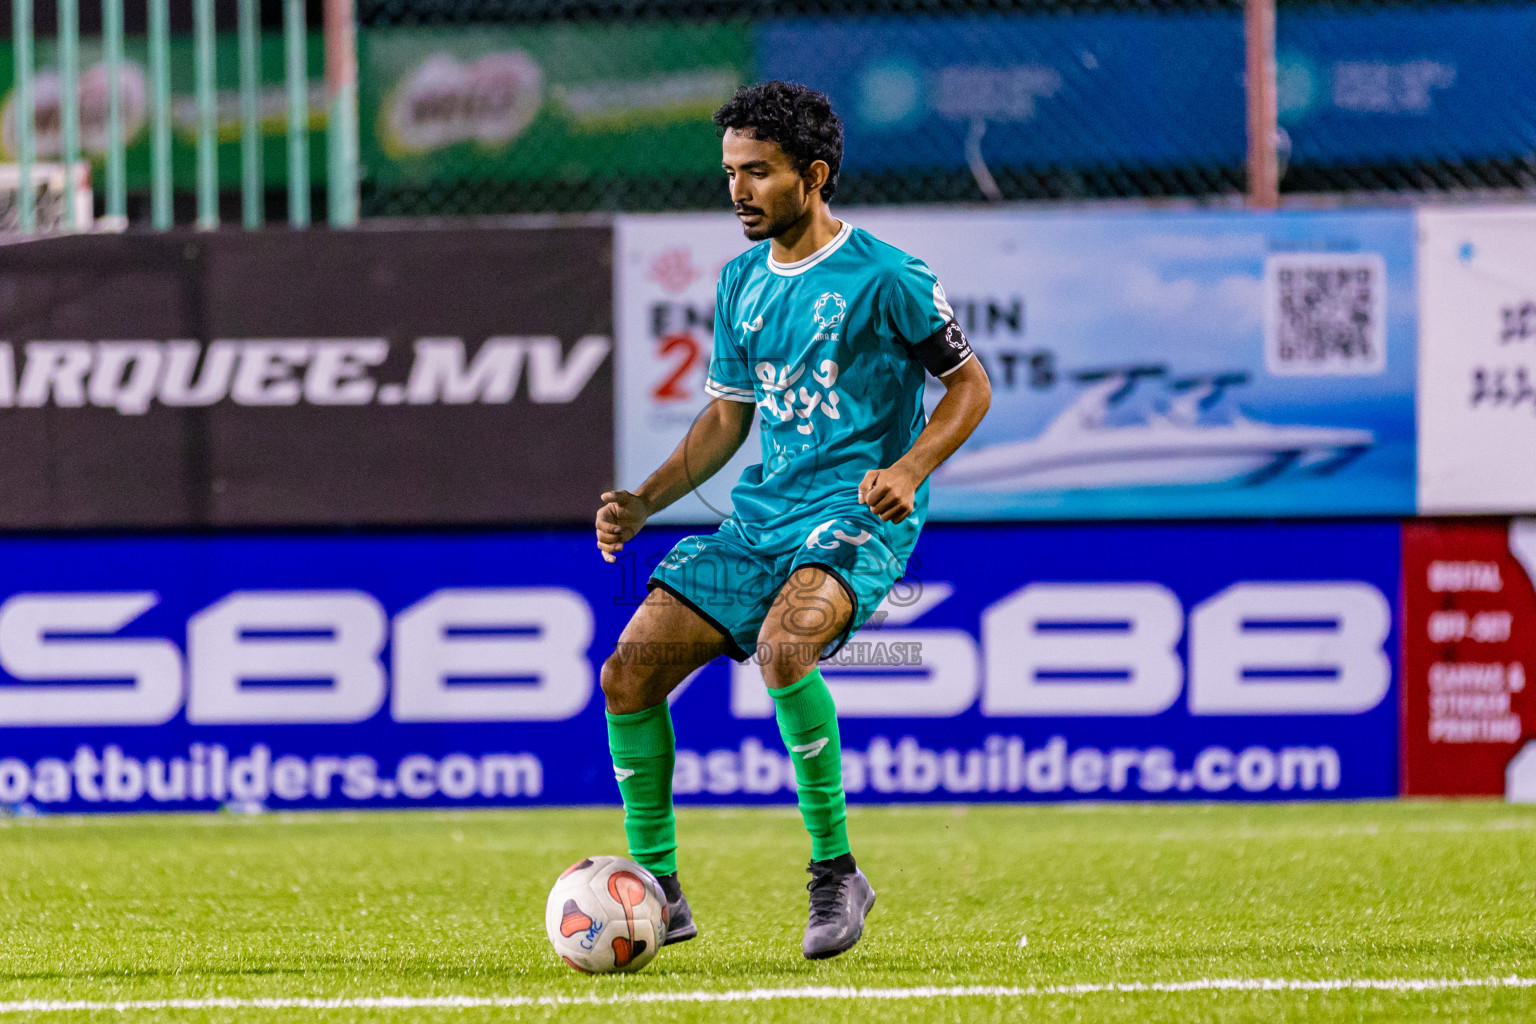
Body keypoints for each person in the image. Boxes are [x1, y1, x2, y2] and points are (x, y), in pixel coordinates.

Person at [594, 80, 992, 960]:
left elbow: (970, 386)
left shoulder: (888, 276)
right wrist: (643, 500)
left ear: (813, 176)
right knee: (628, 674)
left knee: (784, 646)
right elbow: (728, 421)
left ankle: (835, 872)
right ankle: (659, 889)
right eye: (732, 171)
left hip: (858, 515)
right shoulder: (739, 282)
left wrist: (911, 467)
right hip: (763, 523)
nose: (738, 189)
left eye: (759, 173)